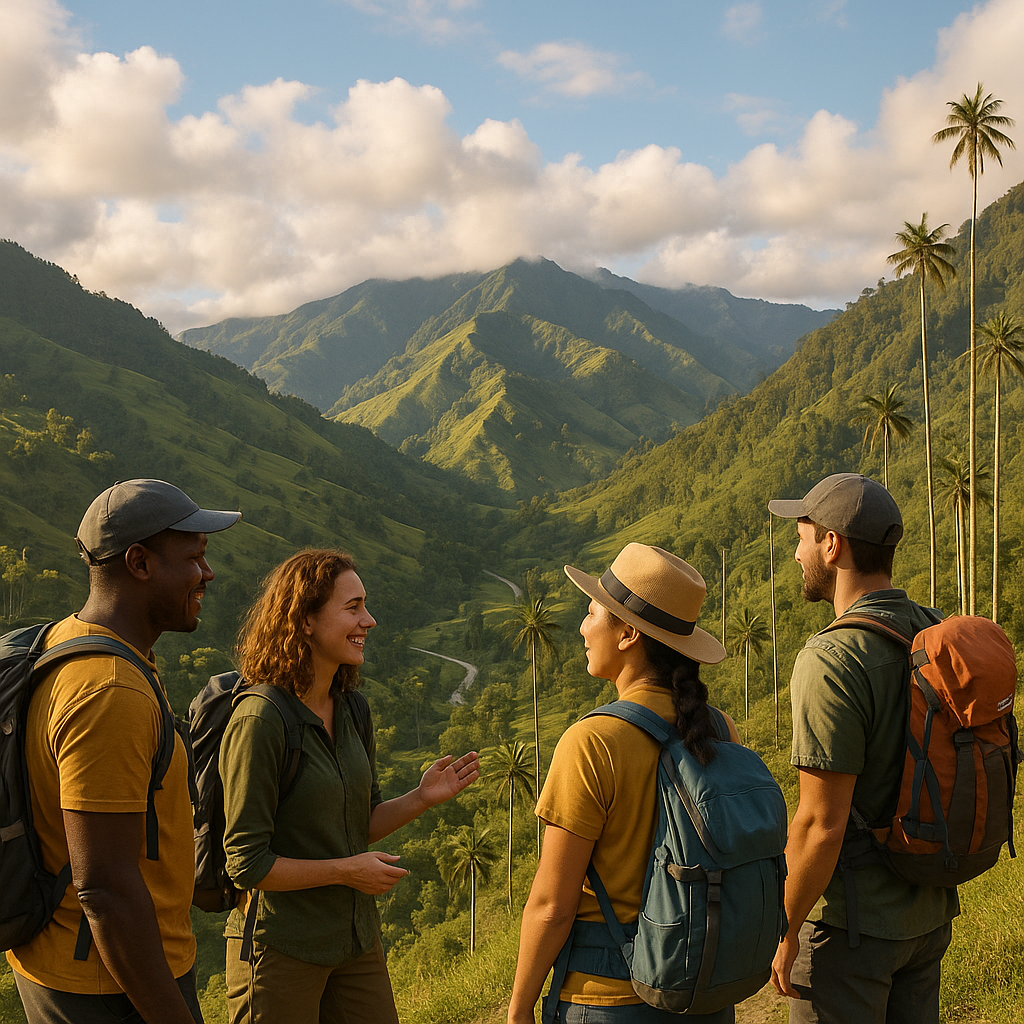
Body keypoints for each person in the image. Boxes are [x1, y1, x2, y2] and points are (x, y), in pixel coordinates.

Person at [8, 479, 240, 1024]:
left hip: (67, 961)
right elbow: (105, 889)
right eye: (194, 558)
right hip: (110, 984)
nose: (208, 573)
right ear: (139, 562)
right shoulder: (111, 690)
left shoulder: (66, 641)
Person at [219, 548, 481, 1024]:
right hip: (281, 947)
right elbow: (246, 864)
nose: (369, 620)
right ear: (305, 621)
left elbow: (359, 824)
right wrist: (346, 872)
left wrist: (422, 797)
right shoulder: (261, 719)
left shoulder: (352, 709)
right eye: (353, 607)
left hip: (354, 939)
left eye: (366, 605)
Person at [508, 543, 741, 1024]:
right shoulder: (719, 729)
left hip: (610, 998)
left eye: (591, 613)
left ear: (628, 634)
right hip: (703, 989)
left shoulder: (593, 742)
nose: (582, 627)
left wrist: (518, 1008)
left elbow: (552, 906)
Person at [768, 473, 959, 1024]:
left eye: (802, 537)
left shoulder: (832, 660)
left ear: (832, 544)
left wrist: (784, 929)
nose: (796, 552)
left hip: (851, 932)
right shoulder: (935, 630)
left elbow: (819, 825)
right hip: (928, 916)